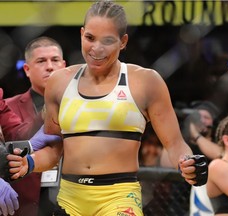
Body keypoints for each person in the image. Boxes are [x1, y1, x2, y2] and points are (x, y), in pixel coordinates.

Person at [8, 1, 208, 216]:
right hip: (70, 198)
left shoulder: (146, 82)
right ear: (81, 34)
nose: (97, 49)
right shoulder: (59, 82)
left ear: (123, 42)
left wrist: (187, 164)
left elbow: (176, 144)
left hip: (119, 197)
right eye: (90, 38)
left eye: (108, 40)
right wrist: (29, 163)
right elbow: (54, 147)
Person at [5, 36, 66, 216]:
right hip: (21, 206)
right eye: (41, 61)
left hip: (71, 203)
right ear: (27, 69)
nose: (49, 66)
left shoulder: (80, 107)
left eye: (55, 60)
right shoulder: (7, 108)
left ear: (64, 65)